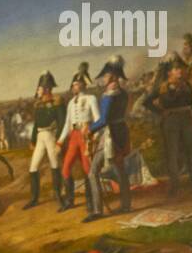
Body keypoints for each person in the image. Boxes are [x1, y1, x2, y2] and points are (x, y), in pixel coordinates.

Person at [143, 58, 192, 195]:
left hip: (187, 120)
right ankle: (174, 187)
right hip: (170, 122)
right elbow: (147, 102)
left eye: (181, 69)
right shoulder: (162, 87)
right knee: (172, 154)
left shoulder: (186, 84)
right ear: (170, 72)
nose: (180, 71)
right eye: (176, 69)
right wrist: (160, 112)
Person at [84, 56, 132, 222]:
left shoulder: (108, 95)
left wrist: (90, 130)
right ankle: (126, 205)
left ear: (112, 76)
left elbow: (104, 120)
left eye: (105, 75)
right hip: (121, 133)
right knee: (120, 171)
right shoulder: (124, 93)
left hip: (110, 135)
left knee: (92, 172)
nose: (104, 78)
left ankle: (98, 210)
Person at [58, 71, 100, 213]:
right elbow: (67, 124)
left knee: (88, 170)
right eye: (73, 84)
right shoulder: (70, 103)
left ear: (83, 84)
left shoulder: (91, 98)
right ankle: (70, 201)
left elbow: (98, 119)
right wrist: (60, 141)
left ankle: (90, 202)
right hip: (74, 137)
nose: (75, 86)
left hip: (85, 136)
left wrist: (94, 135)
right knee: (65, 168)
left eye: (77, 84)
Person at [23, 71, 65, 209]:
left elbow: (61, 122)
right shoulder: (38, 104)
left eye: (39, 88)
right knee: (33, 167)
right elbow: (36, 125)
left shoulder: (57, 102)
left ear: (46, 89)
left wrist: (59, 140)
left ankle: (58, 196)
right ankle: (34, 198)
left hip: (51, 135)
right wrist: (33, 140)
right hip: (40, 137)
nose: (37, 90)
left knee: (54, 165)